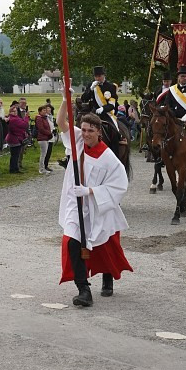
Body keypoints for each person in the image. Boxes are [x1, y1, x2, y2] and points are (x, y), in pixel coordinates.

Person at [55, 96, 133, 308]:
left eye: (91, 130)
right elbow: (61, 123)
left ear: (99, 131)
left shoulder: (108, 158)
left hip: (97, 205)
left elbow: (119, 185)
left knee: (104, 243)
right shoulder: (77, 139)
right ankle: (84, 289)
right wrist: (65, 99)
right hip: (75, 203)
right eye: (84, 129)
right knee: (71, 241)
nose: (86, 134)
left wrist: (90, 191)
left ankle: (107, 276)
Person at [5, 102, 29, 174]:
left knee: (15, 155)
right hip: (15, 139)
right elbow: (24, 124)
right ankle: (13, 169)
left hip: (15, 138)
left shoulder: (14, 118)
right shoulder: (14, 119)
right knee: (15, 155)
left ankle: (15, 168)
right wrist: (27, 117)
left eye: (16, 111)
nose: (15, 112)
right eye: (13, 111)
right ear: (10, 112)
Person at [35, 104, 55, 174]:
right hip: (42, 138)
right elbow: (41, 129)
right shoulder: (39, 119)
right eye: (44, 110)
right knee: (43, 154)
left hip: (45, 138)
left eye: (45, 110)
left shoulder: (44, 118)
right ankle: (41, 168)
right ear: (40, 111)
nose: (45, 111)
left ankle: (43, 167)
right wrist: (49, 133)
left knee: (45, 153)